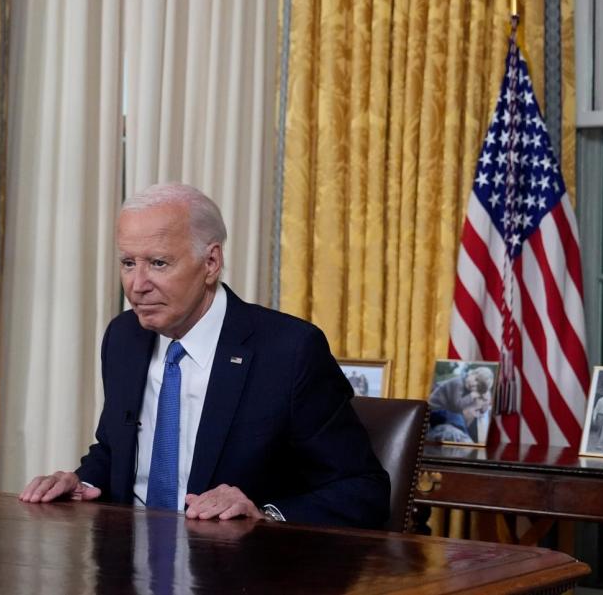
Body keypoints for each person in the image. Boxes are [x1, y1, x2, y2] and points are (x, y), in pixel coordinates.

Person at [20, 184, 390, 528]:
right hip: (126, 565)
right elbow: (117, 451)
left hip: (236, 571)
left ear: (210, 262)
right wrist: (80, 482)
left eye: (159, 263)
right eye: (128, 263)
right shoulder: (124, 336)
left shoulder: (289, 351)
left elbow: (364, 490)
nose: (138, 285)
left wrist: (263, 515)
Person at [427, 366, 495, 443]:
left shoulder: (466, 386)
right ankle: (465, 438)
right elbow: (457, 406)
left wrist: (482, 398)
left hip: (443, 412)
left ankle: (465, 437)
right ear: (471, 373)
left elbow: (482, 407)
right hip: (434, 410)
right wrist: (472, 395)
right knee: (457, 416)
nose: (474, 385)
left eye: (478, 387)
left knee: (457, 417)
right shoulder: (457, 383)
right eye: (476, 379)